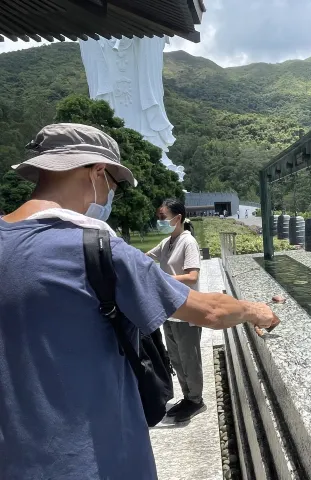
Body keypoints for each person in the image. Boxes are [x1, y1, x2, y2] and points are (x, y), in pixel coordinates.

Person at [0, 123, 279, 480]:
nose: (110, 194)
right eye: (114, 184)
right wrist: (254, 309)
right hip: (96, 459)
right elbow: (209, 310)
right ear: (97, 172)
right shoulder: (97, 251)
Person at [146, 199, 205, 423]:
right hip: (170, 309)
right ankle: (188, 397)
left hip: (187, 308)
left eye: (163, 218)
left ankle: (196, 400)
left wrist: (162, 278)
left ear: (177, 218)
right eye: (159, 218)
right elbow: (145, 258)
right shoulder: (167, 242)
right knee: (177, 358)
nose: (159, 222)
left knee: (190, 358)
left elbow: (192, 276)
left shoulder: (188, 242)